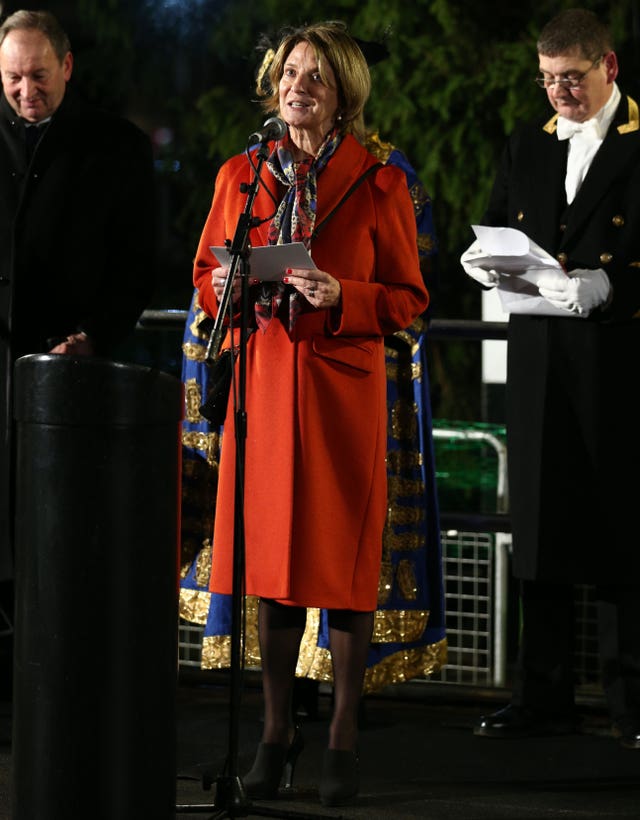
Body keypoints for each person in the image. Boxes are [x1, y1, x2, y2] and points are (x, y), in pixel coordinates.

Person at [191, 20, 429, 807]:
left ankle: (342, 738)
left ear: (344, 96)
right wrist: (228, 287)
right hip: (263, 382)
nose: (298, 86)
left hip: (341, 392)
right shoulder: (243, 172)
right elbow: (203, 271)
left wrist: (344, 295)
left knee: (343, 567)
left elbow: (407, 297)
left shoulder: (381, 181)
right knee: (275, 569)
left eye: (316, 78)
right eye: (290, 73)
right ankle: (272, 734)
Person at [461, 8, 640, 750]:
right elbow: (500, 221)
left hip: (618, 362)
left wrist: (611, 288)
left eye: (572, 78)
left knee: (621, 529)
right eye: (548, 81)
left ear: (609, 68)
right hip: (538, 357)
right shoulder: (526, 145)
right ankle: (543, 696)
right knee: (538, 527)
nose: (559, 93)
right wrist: (482, 257)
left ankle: (632, 702)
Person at [0, 10, 156, 698]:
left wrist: (94, 333)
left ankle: (57, 682)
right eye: (11, 77)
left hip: (73, 375)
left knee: (60, 539)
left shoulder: (115, 146)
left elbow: (136, 263)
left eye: (37, 74)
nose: (25, 90)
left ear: (67, 67)